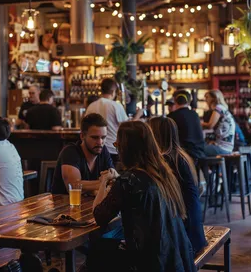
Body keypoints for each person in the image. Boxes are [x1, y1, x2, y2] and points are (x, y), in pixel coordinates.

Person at [89, 121, 195, 272]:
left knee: (97, 250)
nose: (117, 150)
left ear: (126, 149)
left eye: (117, 145)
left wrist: (103, 182)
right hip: (175, 256)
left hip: (148, 262)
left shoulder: (128, 180)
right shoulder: (164, 174)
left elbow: (99, 216)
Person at [149, 116, 207, 255]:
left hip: (186, 237)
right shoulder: (180, 156)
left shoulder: (166, 160)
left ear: (154, 135)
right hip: (195, 232)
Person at [52, 113, 117, 195]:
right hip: (64, 205)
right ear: (82, 136)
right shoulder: (70, 152)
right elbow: (73, 187)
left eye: (103, 137)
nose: (100, 142)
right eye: (95, 137)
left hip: (90, 205)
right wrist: (103, 182)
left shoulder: (103, 150)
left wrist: (93, 189)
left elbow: (114, 179)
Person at [85, 78, 141, 163]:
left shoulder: (91, 106)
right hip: (113, 150)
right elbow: (128, 127)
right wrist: (138, 114)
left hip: (95, 150)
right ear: (113, 91)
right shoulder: (115, 106)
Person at [167, 89, 205, 164]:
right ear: (188, 102)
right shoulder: (195, 114)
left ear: (175, 101)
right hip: (200, 151)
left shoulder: (172, 116)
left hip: (185, 153)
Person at [201, 89, 235, 156]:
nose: (205, 100)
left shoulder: (218, 108)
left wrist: (197, 123)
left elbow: (210, 125)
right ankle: (213, 166)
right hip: (226, 147)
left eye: (207, 97)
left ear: (214, 98)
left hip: (223, 148)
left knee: (196, 150)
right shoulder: (222, 108)